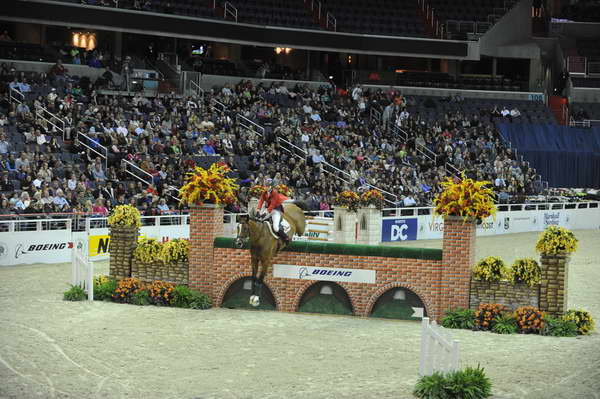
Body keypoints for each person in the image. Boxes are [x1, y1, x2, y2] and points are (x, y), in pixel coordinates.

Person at [257, 178, 290, 243]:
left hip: (275, 210)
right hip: (268, 209)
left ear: (271, 187)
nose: (266, 187)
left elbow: (273, 204)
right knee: (259, 220)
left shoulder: (275, 193)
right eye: (265, 186)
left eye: (267, 186)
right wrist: (258, 210)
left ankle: (286, 237)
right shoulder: (264, 192)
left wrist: (265, 213)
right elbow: (261, 201)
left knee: (276, 228)